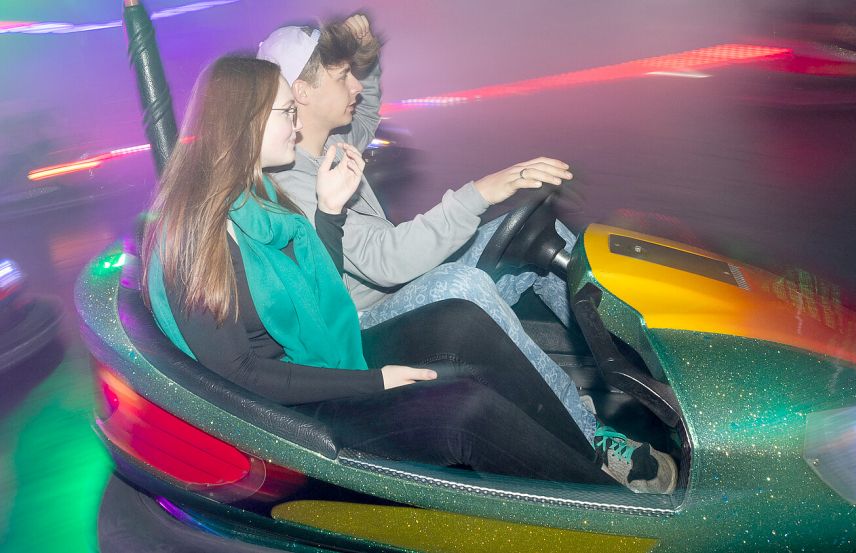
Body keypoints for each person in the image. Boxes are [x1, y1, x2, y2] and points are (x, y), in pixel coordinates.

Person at [141, 55, 677, 493]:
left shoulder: (258, 200)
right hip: (291, 418)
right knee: (465, 409)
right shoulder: (197, 234)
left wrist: (330, 211)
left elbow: (317, 289)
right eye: (286, 112)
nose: (297, 124)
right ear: (247, 122)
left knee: (466, 329)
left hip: (323, 357)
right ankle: (608, 508)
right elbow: (244, 375)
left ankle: (621, 413)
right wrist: (375, 380)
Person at [257, 15, 600, 445]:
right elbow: (388, 261)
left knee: (537, 231)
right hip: (365, 327)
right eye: (343, 76)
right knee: (463, 282)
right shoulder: (293, 184)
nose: (356, 85)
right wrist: (482, 191)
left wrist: (365, 50)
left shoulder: (332, 142)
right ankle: (590, 435)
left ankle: (628, 360)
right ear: (302, 93)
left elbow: (367, 105)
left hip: (400, 289)